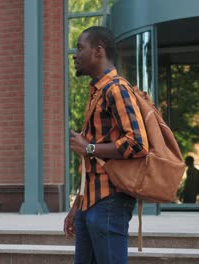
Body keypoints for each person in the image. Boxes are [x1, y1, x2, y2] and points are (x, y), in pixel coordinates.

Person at [64, 26, 149, 263]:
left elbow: (138, 143)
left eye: (80, 48)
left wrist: (89, 147)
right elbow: (90, 163)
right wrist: (76, 208)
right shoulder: (98, 92)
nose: (75, 54)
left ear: (98, 51)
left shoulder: (117, 89)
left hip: (110, 201)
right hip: (90, 203)